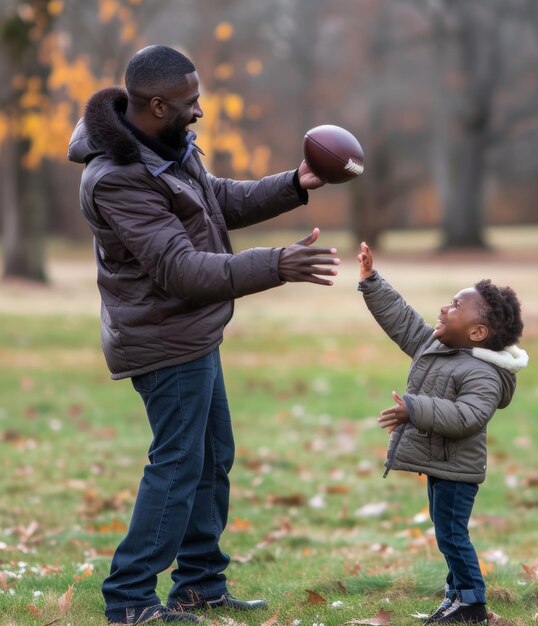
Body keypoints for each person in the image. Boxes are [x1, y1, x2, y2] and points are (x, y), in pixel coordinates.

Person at [68, 44, 341, 625]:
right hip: (161, 339)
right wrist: (277, 265)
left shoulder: (165, 147)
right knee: (176, 464)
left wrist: (295, 182)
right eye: (191, 102)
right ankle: (130, 598)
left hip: (191, 333)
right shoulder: (117, 178)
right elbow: (182, 270)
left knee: (213, 457)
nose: (200, 112)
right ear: (159, 104)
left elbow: (214, 202)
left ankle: (198, 585)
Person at [357, 242, 528, 625]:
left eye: (455, 306)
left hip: (457, 471)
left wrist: (414, 409)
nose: (444, 309)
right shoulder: (439, 346)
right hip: (441, 465)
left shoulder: (484, 374)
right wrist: (372, 281)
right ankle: (455, 596)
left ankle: (471, 601)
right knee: (445, 531)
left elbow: (469, 416)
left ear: (478, 331)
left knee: (451, 534)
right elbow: (402, 320)